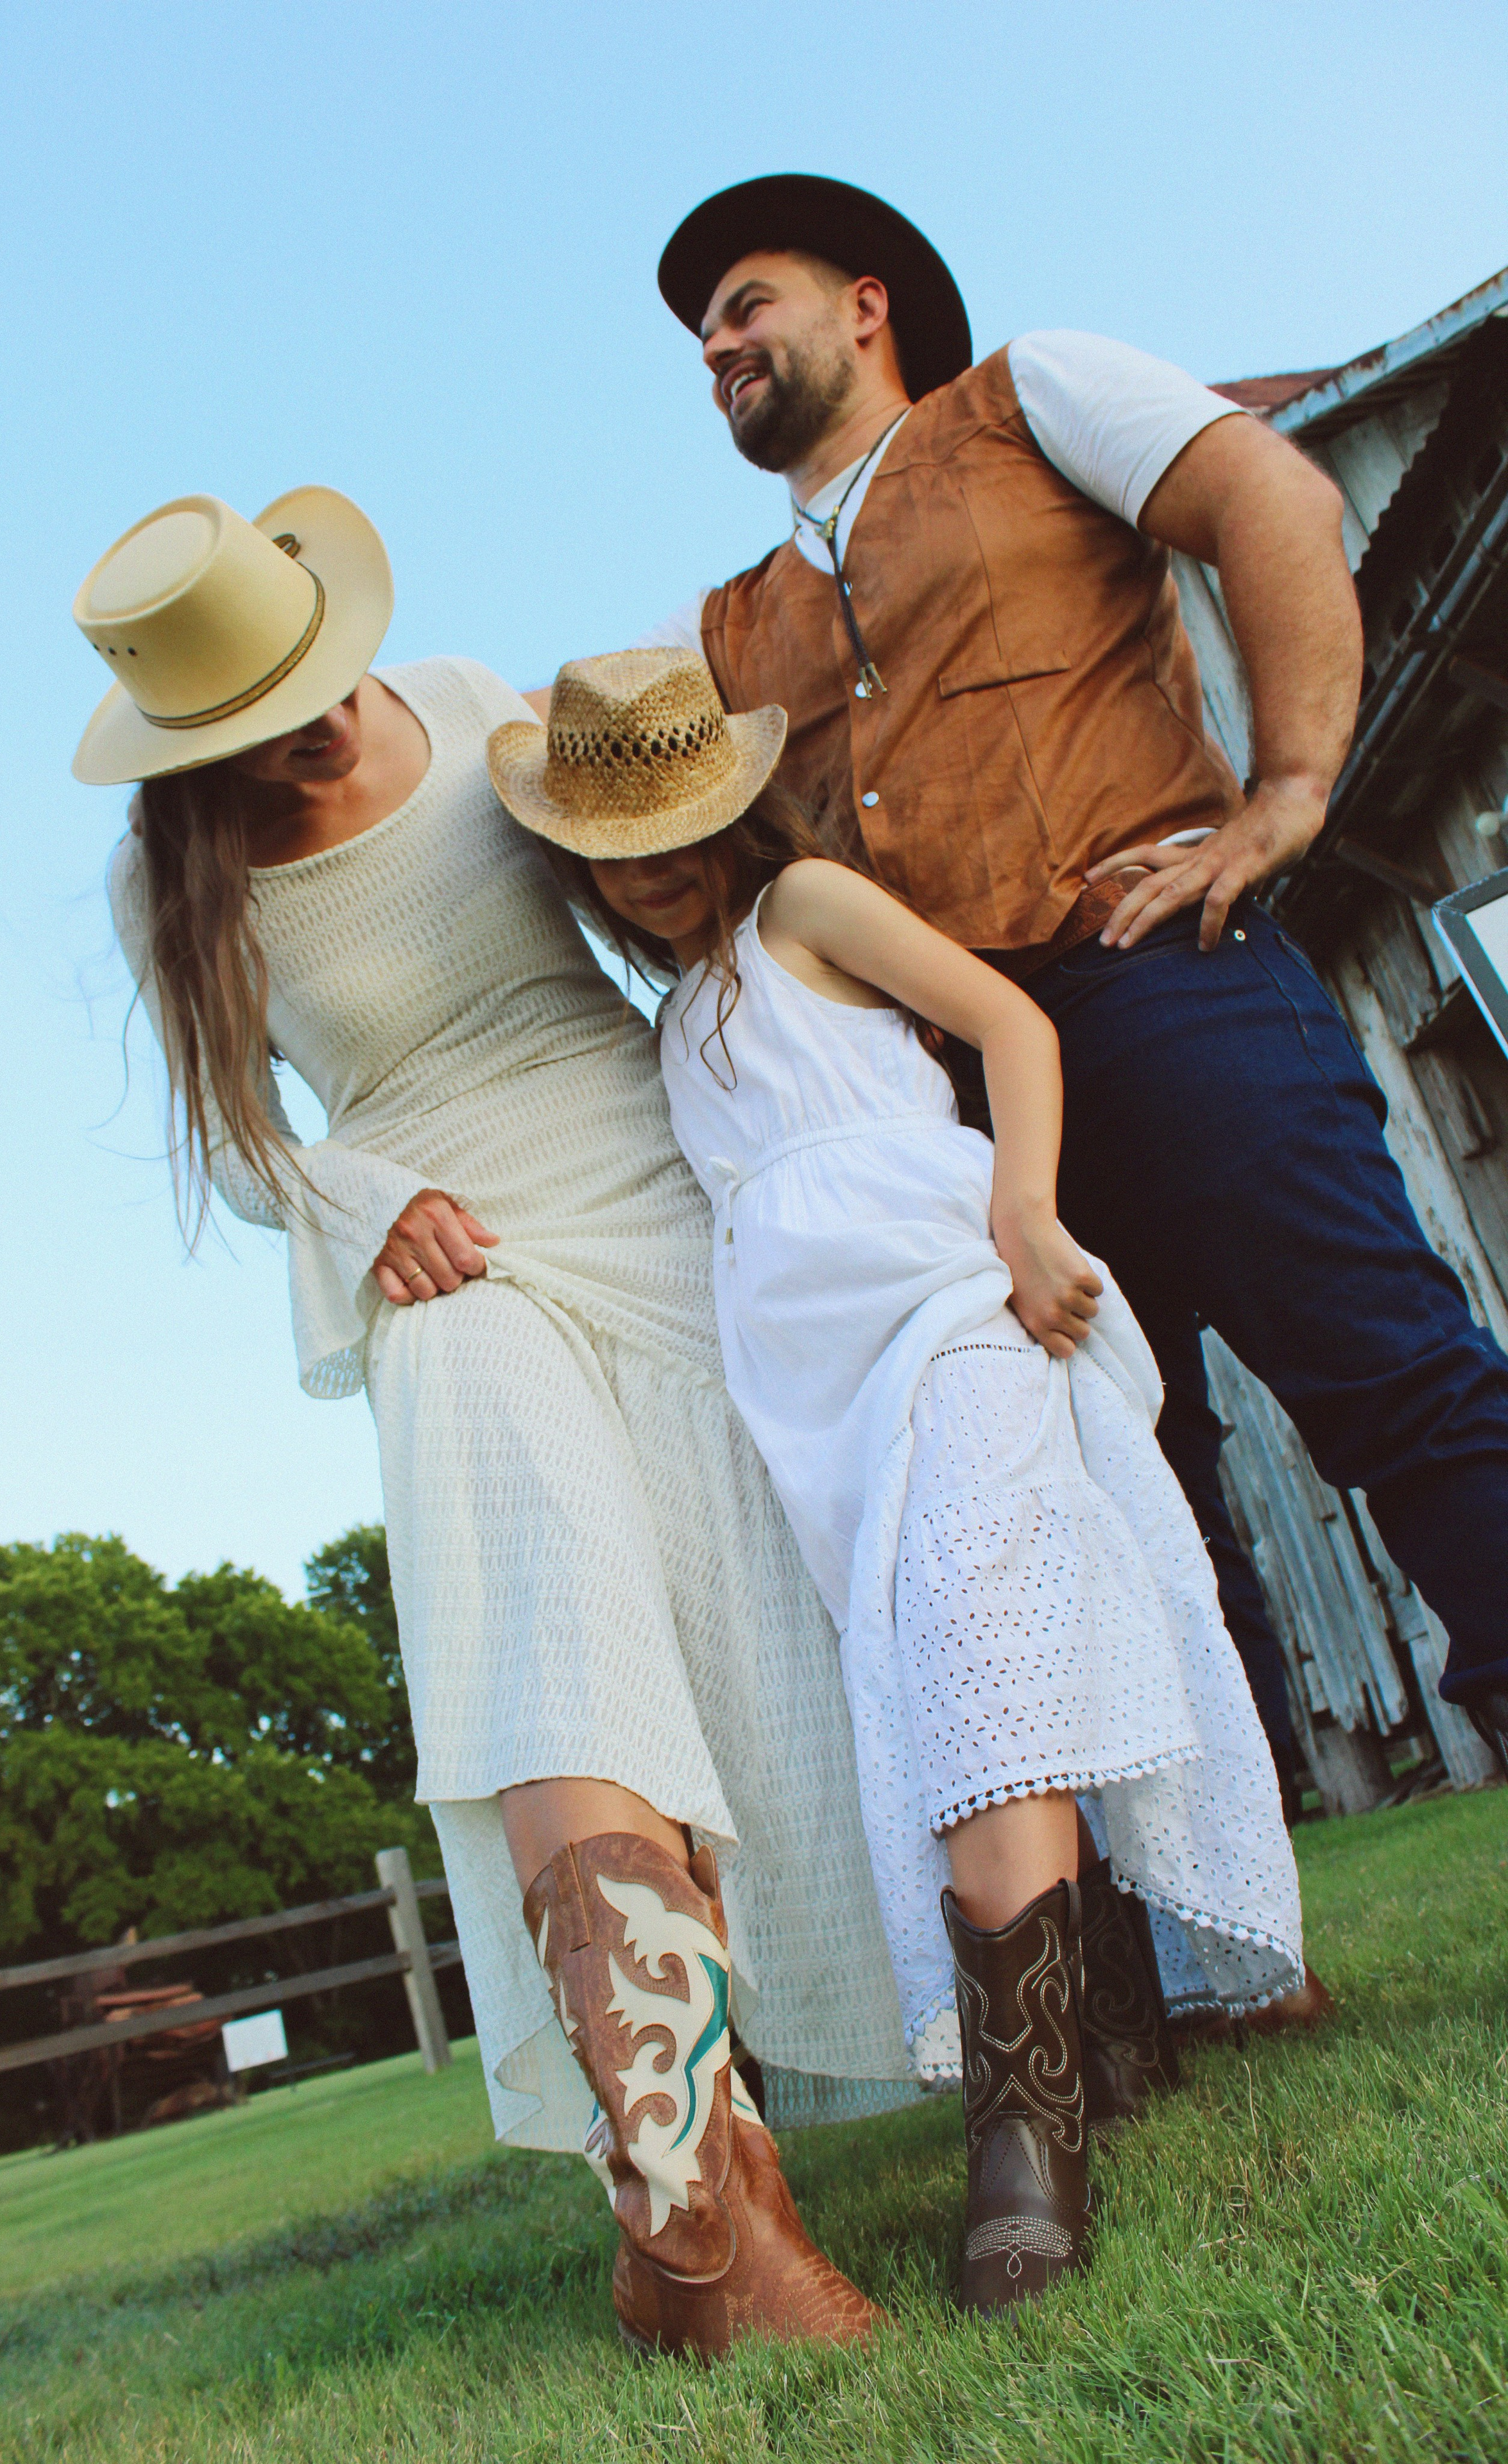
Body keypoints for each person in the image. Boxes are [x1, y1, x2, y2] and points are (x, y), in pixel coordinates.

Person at [75, 484, 913, 2357]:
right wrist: (364, 1211)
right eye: (246, 725)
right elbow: (240, 1138)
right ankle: (707, 2205)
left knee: (773, 1602)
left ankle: (997, 2016)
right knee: (553, 1611)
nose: (308, 731)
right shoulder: (176, 879)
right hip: (441, 1249)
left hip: (640, 1168)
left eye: (310, 686)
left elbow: (649, 882)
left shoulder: (461, 695)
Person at [611, 172, 1508, 1786]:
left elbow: (1277, 508)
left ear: (863, 302)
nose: (713, 346)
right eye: (697, 331)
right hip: (954, 1087)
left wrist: (1290, 791)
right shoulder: (716, 623)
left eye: (744, 304)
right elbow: (616, 809)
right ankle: (1234, 1919)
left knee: (1383, 1364)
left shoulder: (1032, 394)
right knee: (1098, 1471)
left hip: (1160, 968)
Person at [488, 647, 1305, 2314]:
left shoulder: (803, 908)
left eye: (672, 829)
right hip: (817, 1400)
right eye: (610, 847)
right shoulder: (676, 1020)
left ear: (732, 805)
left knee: (981, 1647)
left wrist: (1026, 1218)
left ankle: (1032, 2138)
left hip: (955, 1305)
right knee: (936, 1677)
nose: (646, 871)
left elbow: (1009, 1022)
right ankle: (1110, 2014)